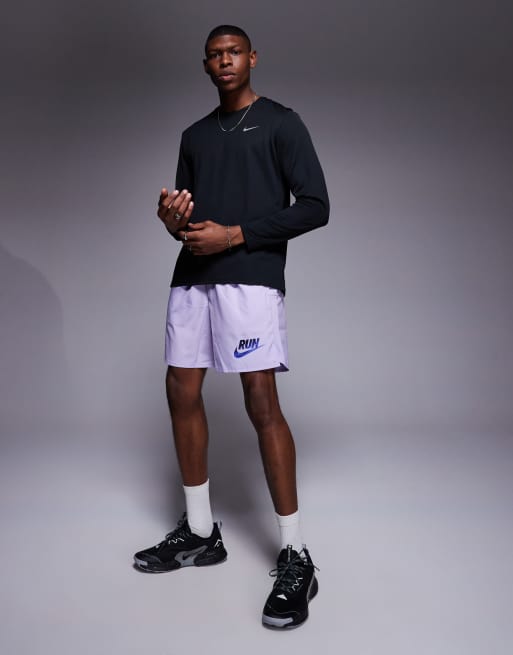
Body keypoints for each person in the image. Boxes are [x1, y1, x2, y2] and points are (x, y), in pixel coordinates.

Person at [133, 24, 329, 630]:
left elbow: (316, 206)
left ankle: (296, 555)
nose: (225, 61)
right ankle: (200, 533)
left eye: (234, 52)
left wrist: (236, 235)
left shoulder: (282, 123)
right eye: (215, 55)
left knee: (260, 399)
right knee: (180, 389)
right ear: (206, 65)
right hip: (193, 277)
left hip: (251, 278)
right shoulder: (194, 135)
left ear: (252, 58)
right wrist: (172, 220)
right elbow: (188, 219)